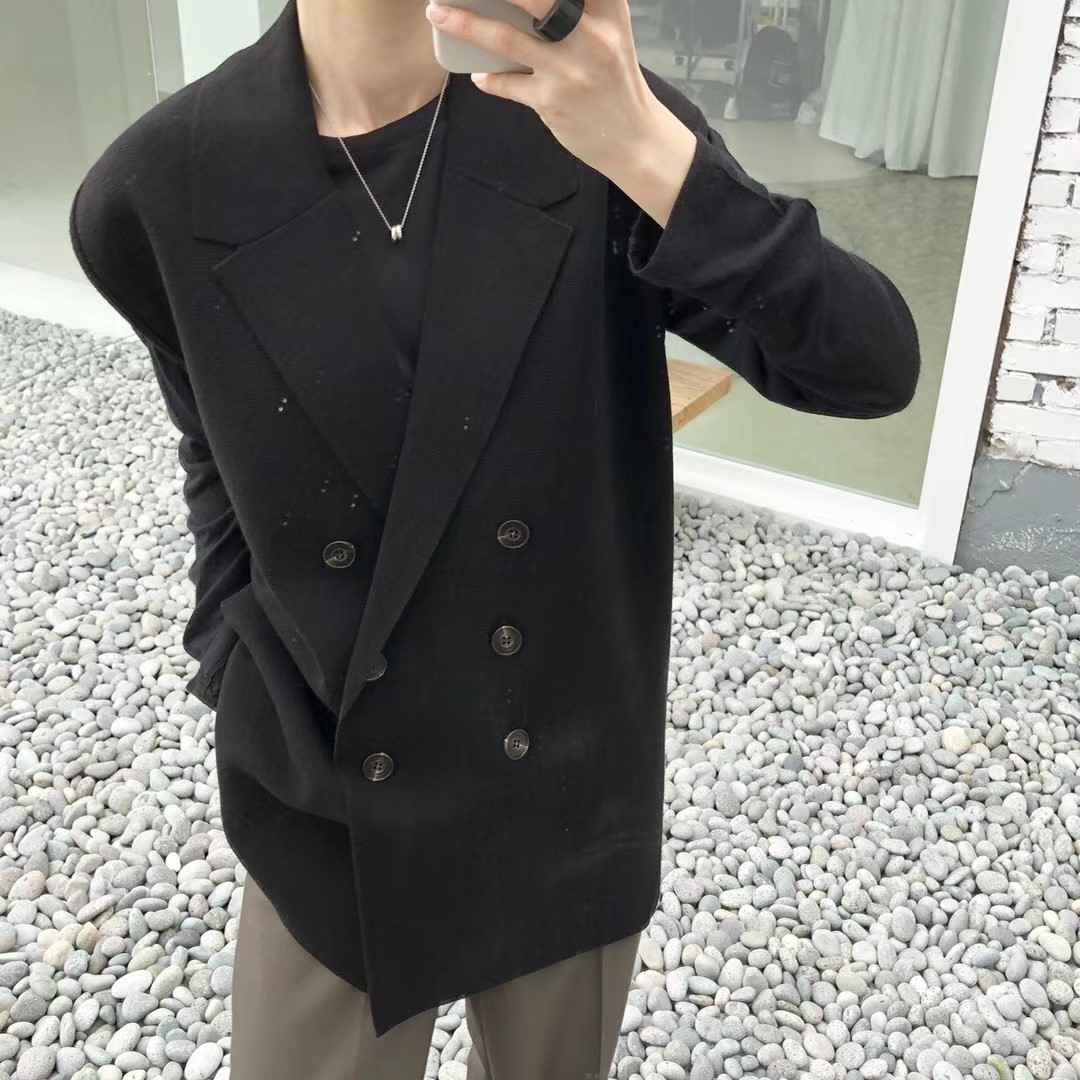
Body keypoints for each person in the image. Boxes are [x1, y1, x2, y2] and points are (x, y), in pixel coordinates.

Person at [68, 0, 920, 1076]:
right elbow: (216, 456)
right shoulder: (159, 186)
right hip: (327, 792)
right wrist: (235, 668)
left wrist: (650, 152)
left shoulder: (591, 122)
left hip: (561, 775)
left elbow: (867, 367)